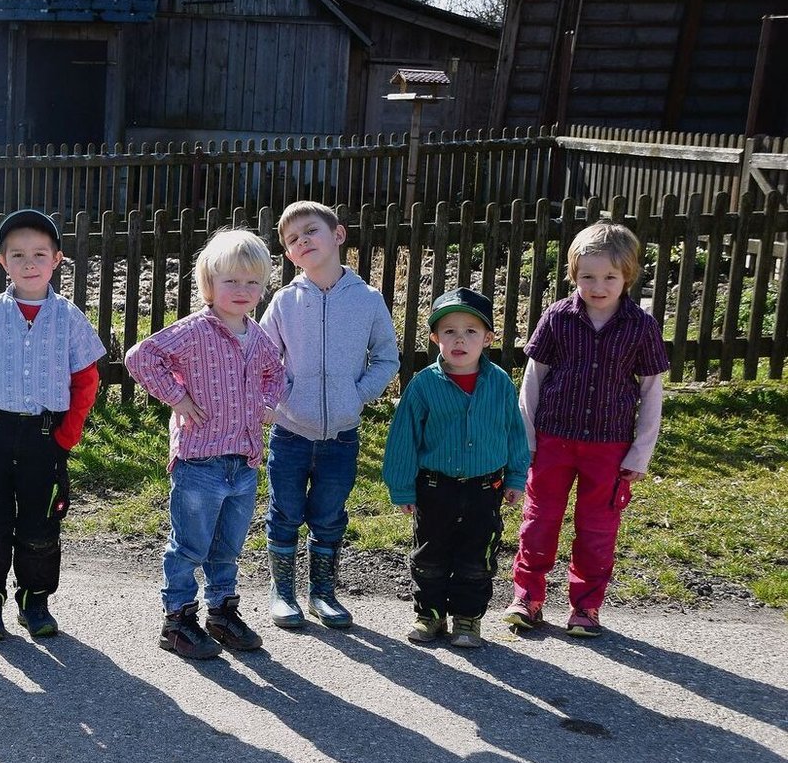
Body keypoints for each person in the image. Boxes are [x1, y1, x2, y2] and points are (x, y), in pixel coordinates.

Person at [125, 228, 286, 660]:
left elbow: (277, 373)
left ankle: (222, 612)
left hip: (244, 460)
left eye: (253, 282)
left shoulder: (258, 335)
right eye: (231, 281)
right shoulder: (194, 331)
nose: (242, 290)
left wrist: (269, 403)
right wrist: (176, 397)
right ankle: (177, 619)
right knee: (190, 545)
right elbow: (141, 356)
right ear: (209, 284)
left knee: (228, 547)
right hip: (200, 460)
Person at [504, 222, 668, 638]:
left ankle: (586, 606)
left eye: (609, 277)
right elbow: (533, 380)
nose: (598, 286)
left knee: (597, 528)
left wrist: (639, 454)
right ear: (573, 275)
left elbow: (651, 393)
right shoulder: (558, 316)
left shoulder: (640, 326)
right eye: (587, 276)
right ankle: (528, 597)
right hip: (552, 441)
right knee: (539, 521)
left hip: (610, 447)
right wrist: (525, 440)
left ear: (627, 276)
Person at [0, 209, 106, 640]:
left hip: (46, 436)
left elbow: (86, 380)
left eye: (39, 254)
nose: (29, 263)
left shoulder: (69, 318)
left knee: (41, 523)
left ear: (57, 260)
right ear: (2, 261)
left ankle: (34, 601)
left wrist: (67, 435)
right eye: (18, 254)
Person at [258, 201, 399, 629]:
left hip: (341, 435)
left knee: (329, 514)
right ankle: (283, 593)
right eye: (293, 239)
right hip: (289, 434)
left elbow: (387, 358)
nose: (303, 241)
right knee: (285, 512)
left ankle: (323, 592)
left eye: (310, 231)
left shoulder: (368, 300)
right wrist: (282, 397)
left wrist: (356, 396)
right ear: (288, 255)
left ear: (338, 235)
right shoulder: (283, 301)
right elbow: (264, 358)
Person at [381, 288, 529, 649]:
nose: (459, 339)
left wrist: (515, 476)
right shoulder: (424, 386)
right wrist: (402, 487)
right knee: (430, 553)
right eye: (449, 331)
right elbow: (404, 438)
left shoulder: (500, 385)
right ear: (435, 338)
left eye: (471, 331)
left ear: (488, 338)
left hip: (485, 488)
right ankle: (429, 614)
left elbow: (514, 432)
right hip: (436, 487)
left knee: (477, 555)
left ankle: (467, 618)